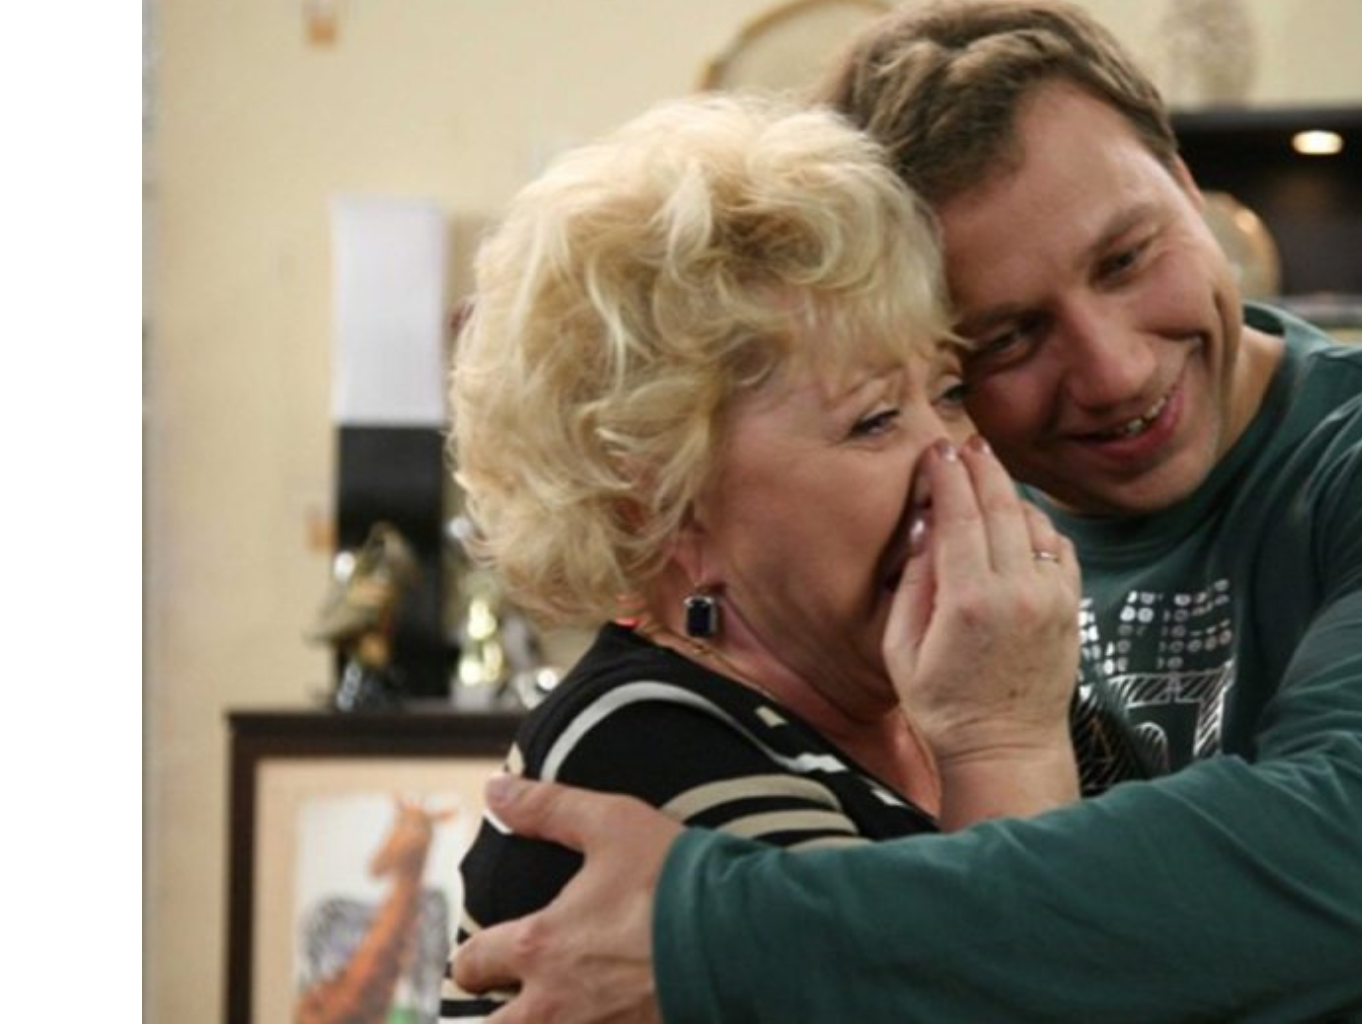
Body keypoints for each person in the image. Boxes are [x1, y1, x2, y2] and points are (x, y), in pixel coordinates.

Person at [449, 1, 1362, 1019]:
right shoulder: (953, 569)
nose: (1114, 369)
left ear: (1190, 187)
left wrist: (719, 932)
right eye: (1004, 339)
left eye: (1126, 257)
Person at [437, 91, 1084, 1019]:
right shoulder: (639, 749)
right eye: (873, 419)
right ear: (664, 507)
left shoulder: (957, 683)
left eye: (947, 392)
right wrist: (1006, 745)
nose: (955, 460)